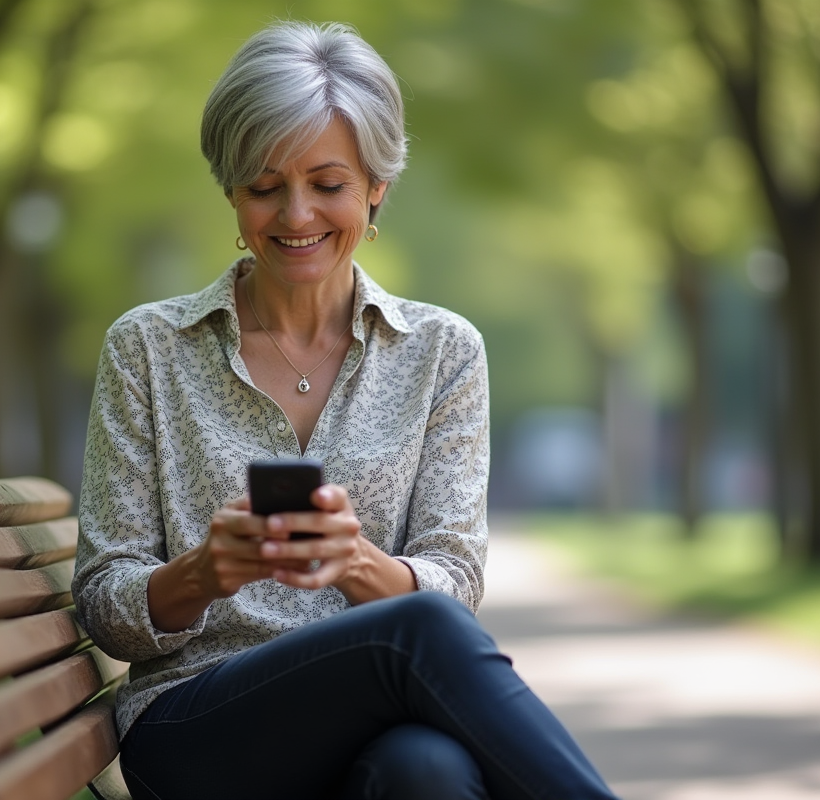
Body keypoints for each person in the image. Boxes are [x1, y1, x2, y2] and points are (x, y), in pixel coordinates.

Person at [73, 20, 619, 800]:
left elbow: (456, 578)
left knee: (425, 772)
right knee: (421, 633)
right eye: (265, 187)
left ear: (376, 186)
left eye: (327, 184)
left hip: (380, 727)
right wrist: (201, 574)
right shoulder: (149, 349)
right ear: (231, 190)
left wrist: (357, 565)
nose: (296, 216)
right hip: (198, 730)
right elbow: (104, 603)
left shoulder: (442, 352)